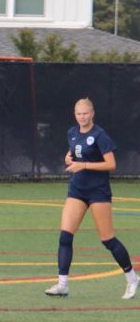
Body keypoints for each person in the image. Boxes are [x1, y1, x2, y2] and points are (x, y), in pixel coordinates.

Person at [44, 98, 139, 300]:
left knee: (107, 239)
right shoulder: (72, 132)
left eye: (85, 113)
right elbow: (73, 152)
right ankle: (62, 284)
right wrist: (68, 159)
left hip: (98, 191)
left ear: (92, 113)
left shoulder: (100, 135)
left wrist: (85, 165)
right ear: (74, 114)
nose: (82, 117)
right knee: (65, 236)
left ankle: (132, 278)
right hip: (77, 190)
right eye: (78, 114)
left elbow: (111, 164)